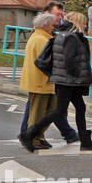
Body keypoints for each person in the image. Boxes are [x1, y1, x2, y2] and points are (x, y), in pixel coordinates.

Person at [25, 11, 92, 151]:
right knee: (59, 111)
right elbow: (69, 61)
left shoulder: (65, 35)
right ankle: (30, 134)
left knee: (80, 108)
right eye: (83, 22)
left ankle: (85, 141)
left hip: (68, 80)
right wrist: (77, 74)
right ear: (77, 23)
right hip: (68, 81)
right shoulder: (71, 37)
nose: (85, 25)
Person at [18, 12, 59, 152]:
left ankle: (38, 136)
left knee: (51, 110)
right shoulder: (42, 40)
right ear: (45, 26)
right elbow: (48, 63)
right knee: (38, 113)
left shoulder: (38, 37)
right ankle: (32, 138)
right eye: (52, 25)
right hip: (41, 82)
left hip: (42, 82)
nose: (53, 28)